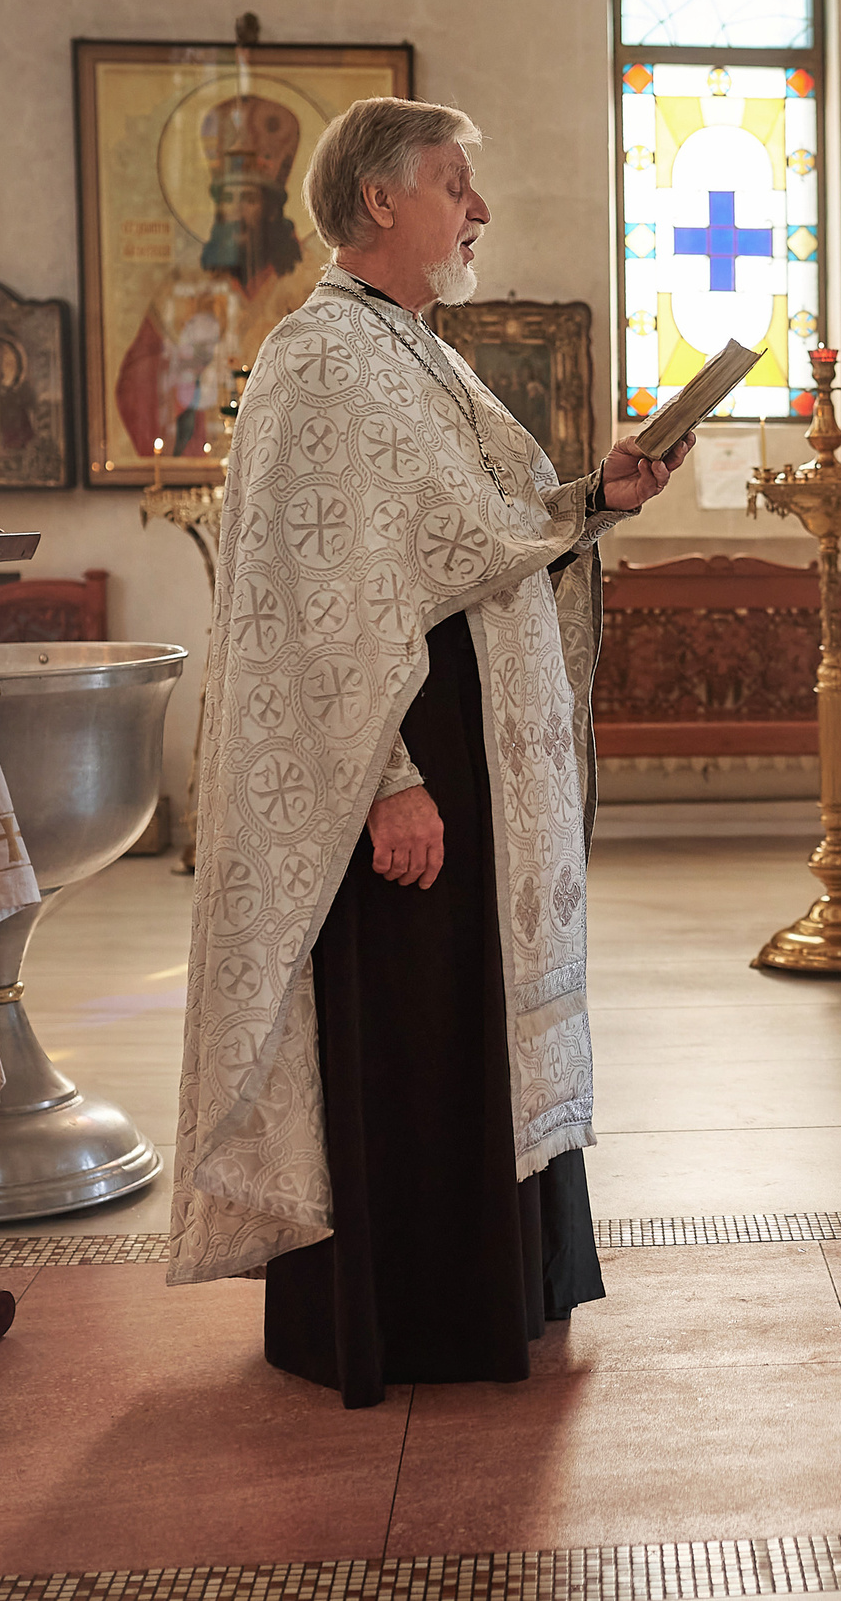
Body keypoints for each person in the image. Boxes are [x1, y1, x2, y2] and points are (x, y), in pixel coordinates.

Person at [167, 97, 691, 1408]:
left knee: (471, 1025)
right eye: (456, 186)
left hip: (474, 757)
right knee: (412, 1030)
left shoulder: (414, 353)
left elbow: (472, 539)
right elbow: (312, 596)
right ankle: (411, 1318)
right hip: (402, 764)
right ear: (381, 201)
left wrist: (591, 501)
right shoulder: (317, 359)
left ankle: (495, 1289)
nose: (480, 210)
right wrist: (388, 783)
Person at [116, 93, 325, 464]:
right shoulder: (186, 282)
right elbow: (138, 381)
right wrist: (181, 372)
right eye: (228, 198)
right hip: (206, 450)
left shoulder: (314, 280)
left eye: (249, 198)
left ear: (271, 206)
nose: (238, 212)